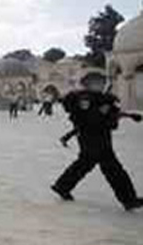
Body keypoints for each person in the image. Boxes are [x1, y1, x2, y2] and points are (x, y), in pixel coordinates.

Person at [51, 71, 143, 211]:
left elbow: (109, 114)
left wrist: (128, 115)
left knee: (85, 163)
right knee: (112, 168)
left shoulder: (100, 99)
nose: (100, 85)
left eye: (101, 82)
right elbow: (88, 119)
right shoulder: (84, 99)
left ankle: (62, 186)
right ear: (88, 84)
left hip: (98, 137)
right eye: (96, 82)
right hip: (92, 138)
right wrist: (103, 112)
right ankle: (129, 199)